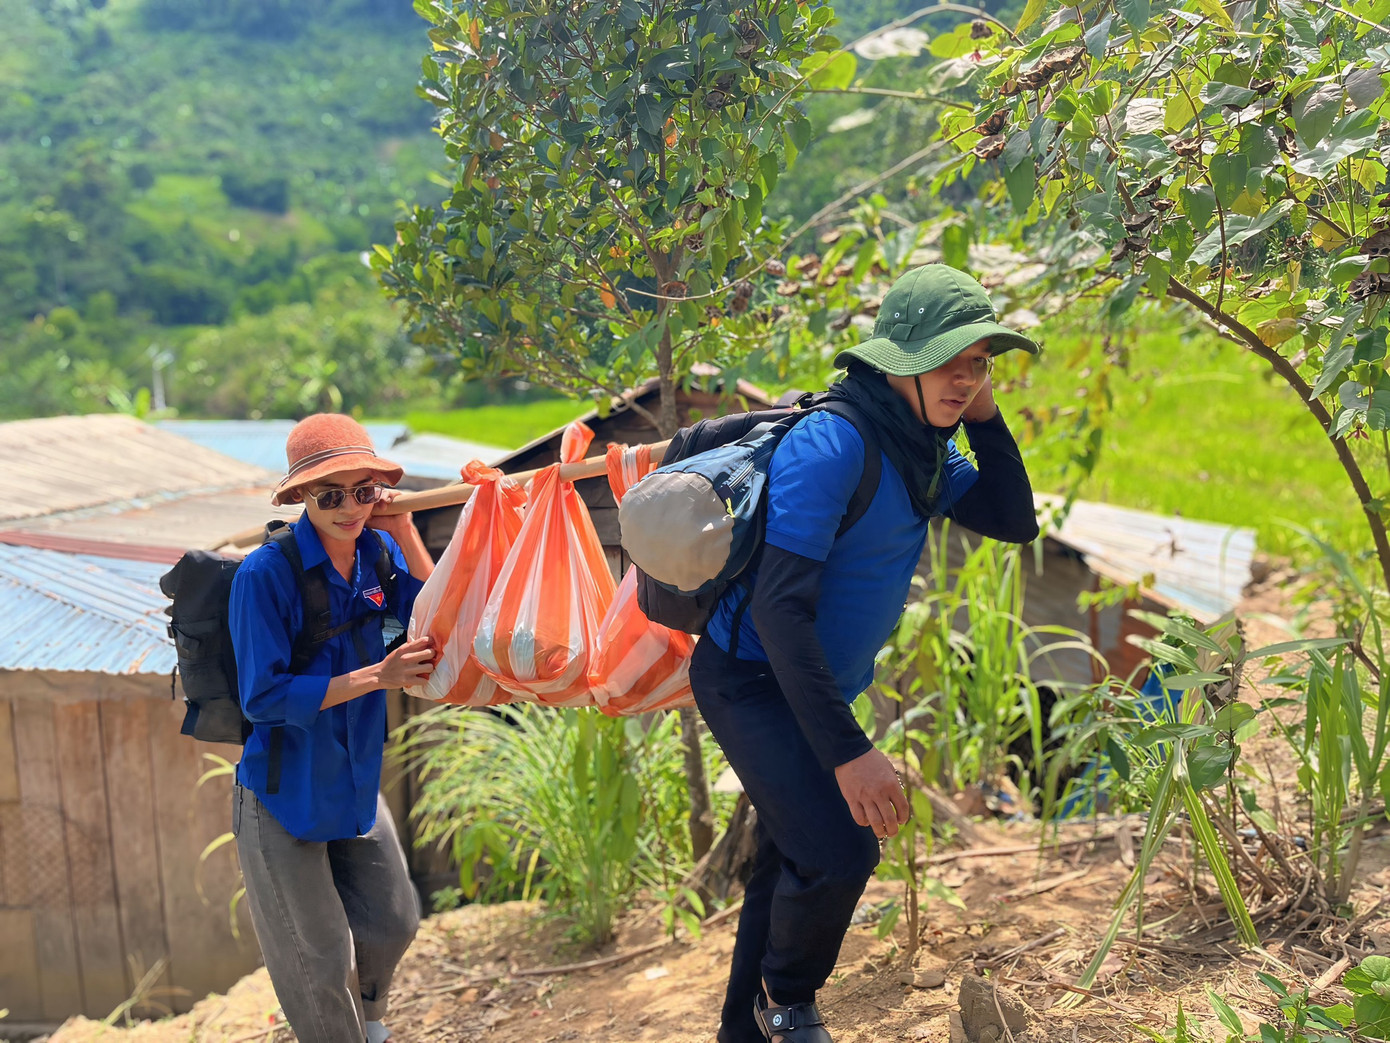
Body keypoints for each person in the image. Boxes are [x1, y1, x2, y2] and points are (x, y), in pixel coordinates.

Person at [691, 264, 1041, 1043]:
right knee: (841, 851)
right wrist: (851, 752)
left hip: (808, 683)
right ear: (896, 361)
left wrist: (983, 412)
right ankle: (787, 1002)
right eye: (951, 361)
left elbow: (1015, 518)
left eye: (980, 361)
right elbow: (780, 612)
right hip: (749, 679)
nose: (965, 377)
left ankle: (742, 1029)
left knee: (792, 854)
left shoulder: (923, 450)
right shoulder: (835, 443)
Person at [228, 414, 438, 1043]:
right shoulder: (263, 576)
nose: (351, 507)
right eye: (330, 495)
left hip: (351, 780)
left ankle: (370, 1027)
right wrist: (378, 675)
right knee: (320, 963)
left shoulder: (378, 551)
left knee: (395, 920)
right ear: (299, 498)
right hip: (281, 796)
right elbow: (262, 698)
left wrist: (400, 522)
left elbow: (434, 614)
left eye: (364, 491)